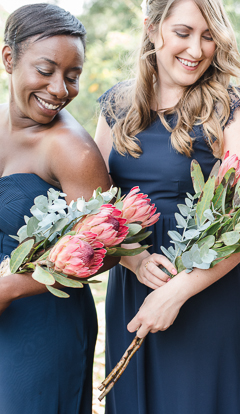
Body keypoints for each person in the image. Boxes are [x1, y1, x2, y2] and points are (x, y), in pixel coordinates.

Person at [94, 0, 240, 412]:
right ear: (152, 29)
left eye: (208, 37)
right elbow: (96, 207)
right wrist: (133, 260)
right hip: (134, 285)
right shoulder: (115, 106)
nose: (197, 49)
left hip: (204, 291)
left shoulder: (230, 110)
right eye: (183, 33)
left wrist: (176, 293)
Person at [0, 4, 112, 413]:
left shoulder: (73, 151)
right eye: (46, 70)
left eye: (72, 76)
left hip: (43, 327)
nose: (60, 89)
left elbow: (104, 250)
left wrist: (11, 286)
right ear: (9, 58)